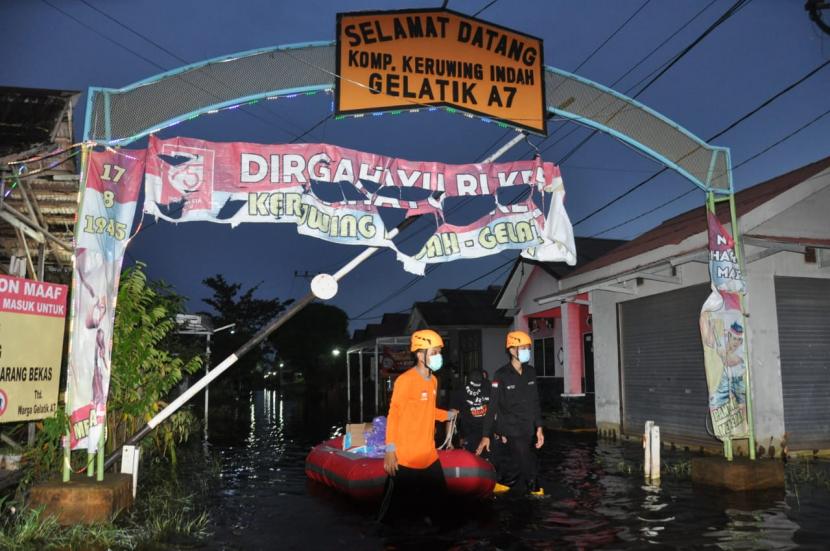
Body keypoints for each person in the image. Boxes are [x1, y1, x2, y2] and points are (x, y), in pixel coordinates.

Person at [381, 329, 458, 523]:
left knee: (441, 511)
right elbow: (394, 414)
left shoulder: (433, 380)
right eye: (433, 352)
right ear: (419, 354)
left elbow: (428, 410)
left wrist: (447, 415)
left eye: (439, 352)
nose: (438, 356)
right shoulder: (405, 381)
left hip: (429, 455)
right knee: (397, 518)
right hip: (406, 459)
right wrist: (390, 449)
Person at [476, 330, 545, 496]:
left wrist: (539, 427)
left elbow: (535, 402)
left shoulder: (531, 372)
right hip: (510, 428)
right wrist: (487, 435)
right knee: (528, 461)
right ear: (512, 350)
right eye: (523, 347)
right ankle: (535, 490)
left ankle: (503, 483)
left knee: (516, 462)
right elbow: (492, 407)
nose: (526, 351)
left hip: (528, 427)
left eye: (528, 347)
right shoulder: (501, 375)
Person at [449, 369, 490, 453]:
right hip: (469, 433)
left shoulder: (488, 389)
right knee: (471, 460)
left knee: (488, 462)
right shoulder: (460, 392)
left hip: (487, 432)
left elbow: (496, 410)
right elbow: (451, 415)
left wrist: (499, 431)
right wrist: (449, 440)